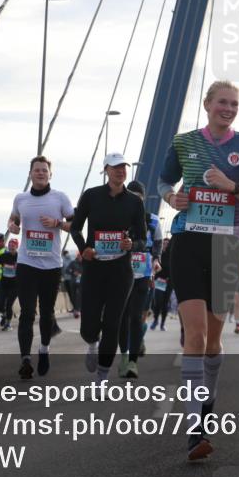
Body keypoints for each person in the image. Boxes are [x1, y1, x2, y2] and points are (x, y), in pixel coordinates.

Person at [159, 80, 239, 461]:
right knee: (195, 335)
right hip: (188, 242)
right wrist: (171, 197)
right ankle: (196, 429)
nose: (228, 108)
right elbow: (164, 180)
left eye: (234, 104)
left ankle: (207, 402)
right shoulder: (184, 143)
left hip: (227, 248)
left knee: (212, 343)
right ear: (207, 104)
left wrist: (231, 187)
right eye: (222, 102)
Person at [71, 153, 148, 382]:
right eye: (115, 167)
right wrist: (84, 248)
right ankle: (91, 344)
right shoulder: (91, 196)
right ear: (106, 170)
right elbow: (75, 228)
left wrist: (131, 244)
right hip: (94, 269)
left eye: (123, 167)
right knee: (89, 328)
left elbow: (142, 240)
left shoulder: (135, 202)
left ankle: (102, 379)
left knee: (113, 324)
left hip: (121, 271)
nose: (120, 171)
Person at [8, 156, 74, 380]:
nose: (40, 173)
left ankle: (44, 349)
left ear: (50, 174)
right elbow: (13, 219)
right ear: (30, 174)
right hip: (27, 263)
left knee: (47, 313)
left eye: (44, 170)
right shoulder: (21, 198)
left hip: (51, 266)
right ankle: (25, 360)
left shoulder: (60, 198)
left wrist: (57, 223)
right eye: (36, 170)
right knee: (27, 312)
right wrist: (12, 226)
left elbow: (75, 224)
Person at [117, 180, 162, 379]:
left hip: (142, 275)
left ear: (143, 200)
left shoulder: (152, 221)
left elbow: (158, 244)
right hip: (121, 274)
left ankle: (133, 363)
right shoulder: (118, 217)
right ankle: (124, 357)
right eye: (131, 197)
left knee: (135, 317)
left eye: (139, 198)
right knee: (122, 318)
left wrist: (157, 259)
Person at [0, 238, 20, 331]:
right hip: (4, 283)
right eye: (10, 245)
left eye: (13, 245)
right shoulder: (4, 256)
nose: (11, 247)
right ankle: (4, 315)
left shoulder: (20, 258)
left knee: (9, 304)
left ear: (17, 247)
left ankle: (8, 324)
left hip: (15, 285)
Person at [150, 237, 174, 331]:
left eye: (167, 244)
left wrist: (170, 278)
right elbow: (154, 268)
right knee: (157, 302)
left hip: (168, 282)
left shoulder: (172, 255)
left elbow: (174, 269)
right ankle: (155, 320)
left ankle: (162, 324)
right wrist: (155, 277)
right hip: (159, 281)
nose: (165, 245)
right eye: (164, 243)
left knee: (165, 303)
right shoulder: (158, 256)